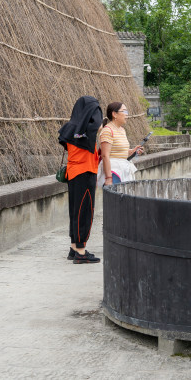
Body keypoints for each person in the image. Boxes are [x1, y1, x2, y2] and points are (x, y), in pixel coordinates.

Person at [58, 96, 102, 264]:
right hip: (85, 173)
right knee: (85, 211)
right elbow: (94, 127)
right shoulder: (87, 131)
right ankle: (81, 252)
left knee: (75, 210)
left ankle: (74, 247)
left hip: (73, 173)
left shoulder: (70, 128)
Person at [97, 102, 145, 187]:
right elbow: (105, 155)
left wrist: (132, 151)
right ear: (114, 114)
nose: (127, 115)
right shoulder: (107, 130)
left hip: (123, 169)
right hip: (113, 171)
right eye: (124, 111)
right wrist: (108, 178)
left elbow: (120, 152)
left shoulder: (122, 130)